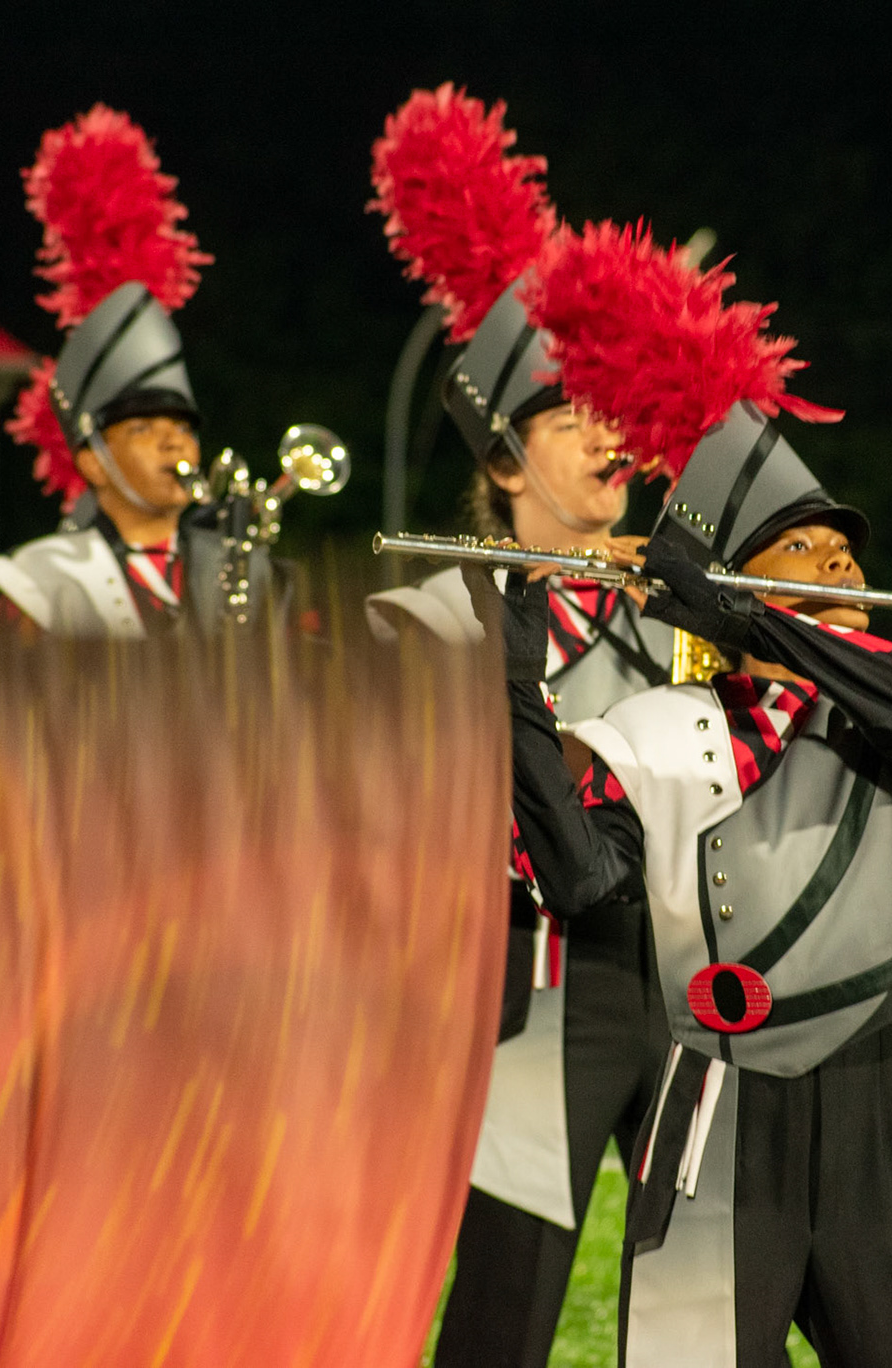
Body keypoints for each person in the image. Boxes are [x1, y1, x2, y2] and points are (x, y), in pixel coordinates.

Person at [501, 221, 892, 1368]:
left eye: (845, 553)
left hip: (882, 1110)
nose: (845, 566)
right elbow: (577, 879)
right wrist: (513, 693)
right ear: (728, 576)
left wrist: (751, 614)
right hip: (713, 1113)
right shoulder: (659, 728)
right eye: (807, 549)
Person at [361, 86, 674, 1368]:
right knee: (508, 1311)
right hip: (536, 990)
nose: (611, 437)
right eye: (571, 417)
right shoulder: (433, 618)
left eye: (618, 410)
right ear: (502, 461)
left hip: (691, 987)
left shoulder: (679, 607)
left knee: (713, 1299)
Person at [0, 106, 239, 637]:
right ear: (92, 462)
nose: (174, 443)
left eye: (183, 428)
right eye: (143, 429)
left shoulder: (250, 573)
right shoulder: (35, 584)